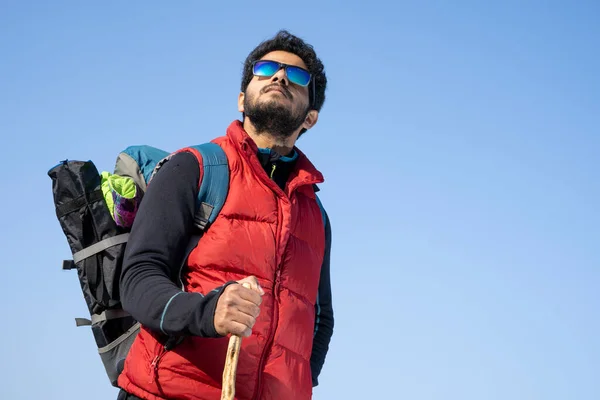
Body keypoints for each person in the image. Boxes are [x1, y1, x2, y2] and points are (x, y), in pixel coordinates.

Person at [116, 30, 334, 400]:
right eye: (266, 70)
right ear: (241, 99)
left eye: (296, 76)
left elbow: (320, 319)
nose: (279, 77)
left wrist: (296, 383)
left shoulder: (316, 214)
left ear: (310, 117)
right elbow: (138, 277)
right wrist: (206, 312)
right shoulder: (194, 167)